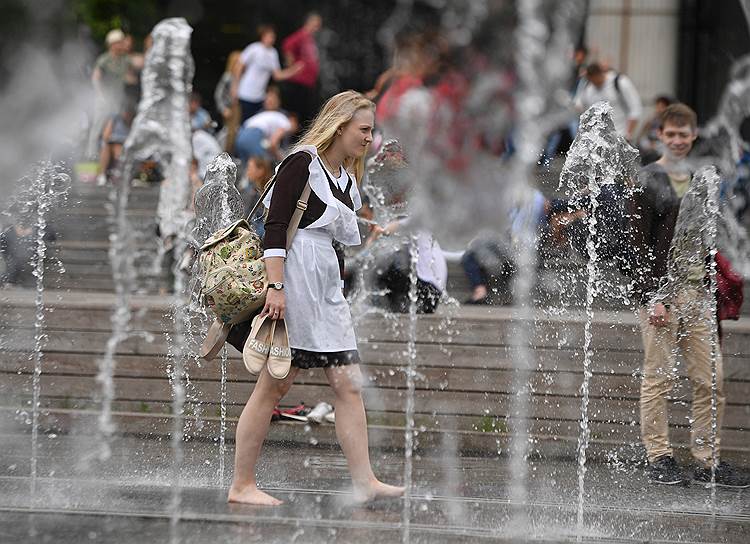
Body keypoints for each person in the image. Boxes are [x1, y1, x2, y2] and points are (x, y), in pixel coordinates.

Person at [226, 90, 404, 506]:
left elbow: (336, 231)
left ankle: (365, 480)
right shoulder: (302, 163)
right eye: (363, 129)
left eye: (371, 130)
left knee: (347, 384)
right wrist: (275, 288)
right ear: (340, 126)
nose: (368, 137)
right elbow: (276, 228)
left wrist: (375, 230)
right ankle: (242, 485)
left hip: (325, 286)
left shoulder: (344, 175)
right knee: (274, 386)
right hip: (295, 278)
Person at [629, 103, 750, 487]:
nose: (678, 140)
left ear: (694, 135)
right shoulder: (649, 178)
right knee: (658, 378)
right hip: (663, 294)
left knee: (711, 379)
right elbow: (637, 244)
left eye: (684, 134)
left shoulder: (703, 177)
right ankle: (659, 456)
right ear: (661, 135)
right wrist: (652, 296)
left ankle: (707, 460)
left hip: (699, 294)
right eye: (671, 134)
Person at [232, 25, 302, 123]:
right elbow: (238, 67)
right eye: (269, 36)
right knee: (245, 122)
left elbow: (277, 75)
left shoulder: (273, 53)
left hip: (259, 96)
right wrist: (235, 88)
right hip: (246, 93)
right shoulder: (254, 48)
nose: (271, 39)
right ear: (263, 36)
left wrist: (293, 70)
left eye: (273, 37)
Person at [86, 29, 130, 158]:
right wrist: (100, 95)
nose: (122, 45)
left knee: (114, 131)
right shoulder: (104, 59)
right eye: (120, 42)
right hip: (105, 100)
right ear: (113, 44)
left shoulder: (124, 59)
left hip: (118, 101)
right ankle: (90, 156)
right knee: (98, 127)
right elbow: (95, 78)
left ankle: (111, 160)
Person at [574, 62, 642, 141]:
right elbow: (580, 107)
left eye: (595, 79)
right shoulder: (587, 87)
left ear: (599, 74)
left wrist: (628, 133)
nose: (594, 83)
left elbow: (635, 108)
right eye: (591, 80)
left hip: (620, 136)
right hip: (597, 140)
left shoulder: (619, 82)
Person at [234, 87, 298, 163]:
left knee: (249, 167)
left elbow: (291, 126)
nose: (269, 101)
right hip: (253, 136)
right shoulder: (263, 114)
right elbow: (273, 143)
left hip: (241, 135)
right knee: (263, 164)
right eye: (267, 98)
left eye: (273, 98)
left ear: (279, 101)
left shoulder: (283, 116)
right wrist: (283, 161)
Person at [281, 12, 323, 129]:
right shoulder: (300, 36)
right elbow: (287, 45)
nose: (318, 28)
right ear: (309, 22)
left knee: (307, 114)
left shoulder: (310, 39)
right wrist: (292, 68)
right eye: (316, 24)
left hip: (308, 84)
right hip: (299, 83)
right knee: (298, 114)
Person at [96, 100, 136, 185]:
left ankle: (118, 175)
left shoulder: (136, 122)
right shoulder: (115, 118)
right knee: (108, 147)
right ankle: (102, 175)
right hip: (111, 144)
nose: (127, 115)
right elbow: (106, 136)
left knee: (118, 148)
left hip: (126, 146)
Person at [214, 50, 242, 152]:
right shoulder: (228, 77)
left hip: (238, 107)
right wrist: (223, 109)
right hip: (230, 108)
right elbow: (218, 94)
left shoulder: (243, 78)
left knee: (236, 131)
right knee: (228, 133)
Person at [637, 95, 676, 165]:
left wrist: (657, 146)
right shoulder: (651, 121)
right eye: (658, 106)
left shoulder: (672, 123)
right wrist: (648, 145)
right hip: (648, 153)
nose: (659, 109)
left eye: (662, 107)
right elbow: (641, 137)